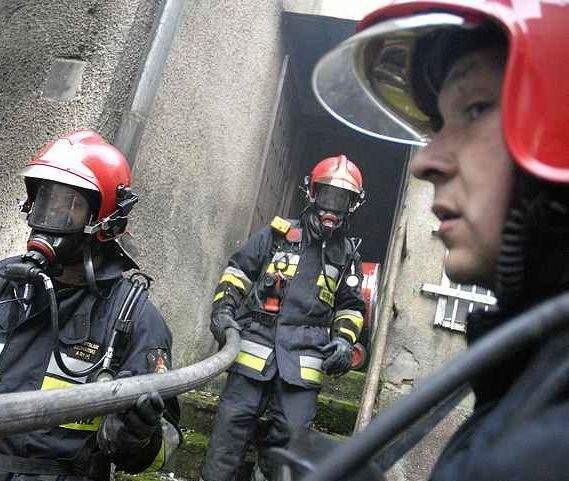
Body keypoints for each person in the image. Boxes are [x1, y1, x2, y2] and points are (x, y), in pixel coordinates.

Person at [311, 1, 569, 480]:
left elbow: (350, 305)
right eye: (438, 125)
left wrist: (344, 343)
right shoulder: (531, 379)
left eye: (476, 108)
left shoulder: (545, 445)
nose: (424, 162)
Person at [0, 130, 181, 480]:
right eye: (45, 202)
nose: (49, 218)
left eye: (69, 207)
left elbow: (164, 448)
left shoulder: (133, 318)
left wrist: (138, 436)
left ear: (104, 221)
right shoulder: (7, 283)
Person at [200, 154, 367, 481]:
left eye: (342, 199)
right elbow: (237, 273)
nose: (332, 208)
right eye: (328, 195)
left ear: (353, 205)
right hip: (254, 351)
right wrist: (222, 312)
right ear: (312, 193)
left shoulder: (348, 255)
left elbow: (351, 307)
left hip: (303, 366)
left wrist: (345, 342)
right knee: (227, 440)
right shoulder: (277, 235)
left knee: (288, 452)